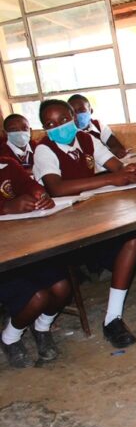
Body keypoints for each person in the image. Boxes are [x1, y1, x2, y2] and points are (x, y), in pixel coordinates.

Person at [33, 99, 136, 348]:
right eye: (50, 124)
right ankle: (111, 319)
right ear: (44, 128)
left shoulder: (86, 139)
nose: (58, 126)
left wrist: (130, 171)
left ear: (73, 117)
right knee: (132, 239)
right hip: (64, 226)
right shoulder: (44, 149)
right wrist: (110, 180)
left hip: (93, 215)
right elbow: (57, 188)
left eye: (63, 119)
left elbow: (116, 166)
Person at [0, 156, 71, 367]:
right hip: (3, 262)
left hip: (23, 246)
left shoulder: (7, 164)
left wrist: (41, 195)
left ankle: (42, 327)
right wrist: (4, 208)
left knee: (61, 287)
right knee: (37, 297)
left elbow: (29, 185)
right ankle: (10, 338)